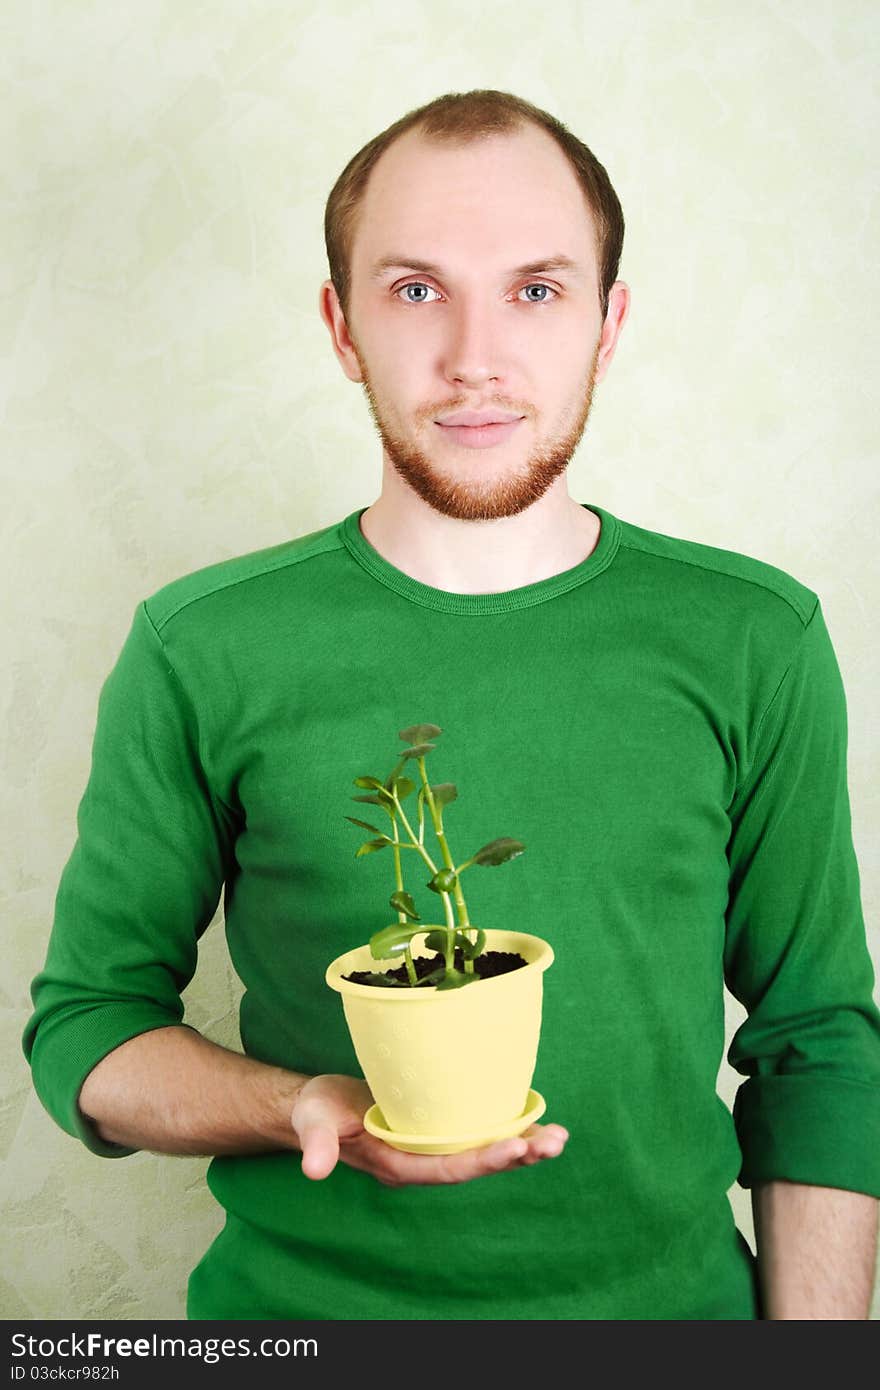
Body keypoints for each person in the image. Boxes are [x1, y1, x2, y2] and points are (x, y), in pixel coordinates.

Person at [23, 88, 880, 1322]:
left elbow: (817, 1045)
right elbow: (88, 1034)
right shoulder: (198, 644)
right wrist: (298, 1103)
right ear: (341, 325)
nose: (475, 355)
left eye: (535, 290)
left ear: (608, 321)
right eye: (415, 289)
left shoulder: (756, 636)